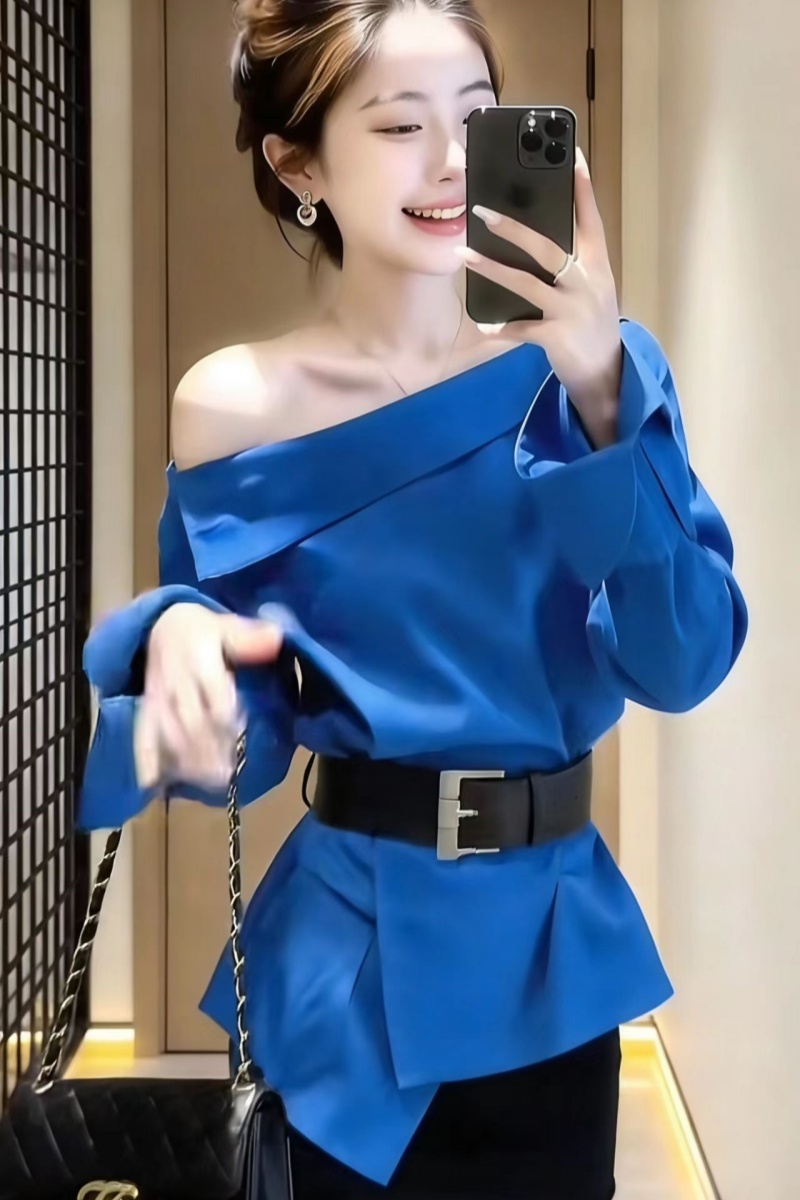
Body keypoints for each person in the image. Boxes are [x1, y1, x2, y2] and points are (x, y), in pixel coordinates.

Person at [78, 1, 748, 1196]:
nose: (448, 161)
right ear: (298, 166)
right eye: (397, 126)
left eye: (474, 119)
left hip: (550, 953)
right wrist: (179, 639)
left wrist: (599, 391)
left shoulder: (599, 368)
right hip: (345, 965)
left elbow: (680, 660)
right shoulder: (233, 406)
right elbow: (246, 745)